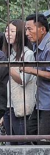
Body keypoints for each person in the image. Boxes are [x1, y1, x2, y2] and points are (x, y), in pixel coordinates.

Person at [2, 19, 36, 145]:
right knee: (12, 147)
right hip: (8, 106)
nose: (8, 34)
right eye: (6, 31)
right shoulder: (10, 55)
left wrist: (7, 67)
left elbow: (23, 80)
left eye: (12, 31)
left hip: (22, 108)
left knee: (24, 146)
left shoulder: (28, 54)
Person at [21, 13, 50, 145]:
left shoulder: (48, 47)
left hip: (48, 103)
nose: (27, 33)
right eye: (26, 29)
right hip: (41, 101)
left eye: (30, 29)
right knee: (30, 133)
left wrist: (30, 70)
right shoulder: (36, 44)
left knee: (43, 141)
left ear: (43, 29)